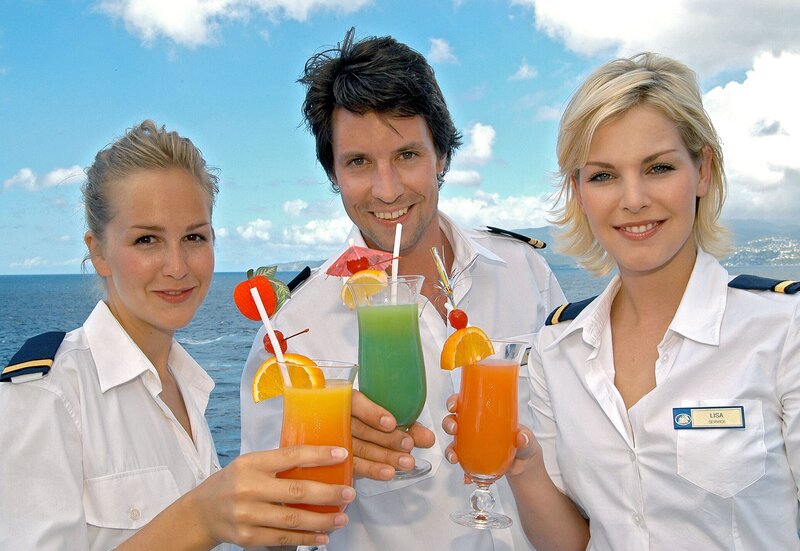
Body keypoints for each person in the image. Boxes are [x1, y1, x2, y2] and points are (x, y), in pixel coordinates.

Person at [444, 52, 800, 550]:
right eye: (603, 175)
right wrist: (521, 470)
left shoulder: (783, 329)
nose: (632, 199)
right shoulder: (555, 347)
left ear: (703, 171)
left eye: (658, 167)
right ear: (579, 192)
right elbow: (571, 543)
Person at [240, 28, 565, 550]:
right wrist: (326, 465)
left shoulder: (524, 272)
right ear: (333, 175)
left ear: (442, 157)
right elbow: (267, 536)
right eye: (359, 163)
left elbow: (577, 453)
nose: (387, 189)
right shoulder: (293, 334)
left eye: (408, 155)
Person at [0, 120, 356, 550]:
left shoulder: (184, 383)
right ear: (98, 251)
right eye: (147, 239)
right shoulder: (46, 397)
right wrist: (202, 517)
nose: (177, 266)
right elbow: (198, 524)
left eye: (193, 237)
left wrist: (276, 529)